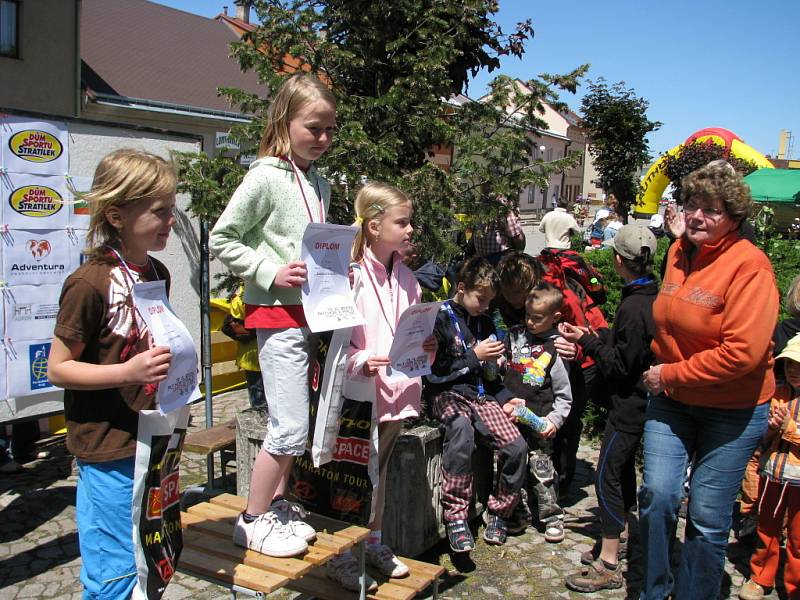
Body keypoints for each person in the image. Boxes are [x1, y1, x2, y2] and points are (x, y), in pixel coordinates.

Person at [640, 161, 780, 600]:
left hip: (732, 407)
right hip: (673, 399)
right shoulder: (678, 252)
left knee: (705, 516)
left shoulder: (750, 267)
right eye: (692, 205)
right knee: (658, 497)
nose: (697, 215)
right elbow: (668, 321)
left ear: (734, 217)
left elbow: (743, 354)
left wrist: (668, 373)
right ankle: (653, 590)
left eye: (711, 209)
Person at [209, 73, 336, 558]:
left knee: (294, 419)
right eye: (313, 128)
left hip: (309, 315)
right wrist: (270, 270)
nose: (323, 139)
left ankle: (276, 506)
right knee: (288, 428)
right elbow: (223, 238)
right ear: (285, 122)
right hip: (276, 316)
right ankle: (252, 518)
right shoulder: (264, 175)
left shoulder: (316, 180)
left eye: (329, 130)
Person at [46, 149, 178, 599]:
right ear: (118, 214)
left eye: (172, 209)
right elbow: (59, 368)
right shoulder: (89, 282)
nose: (170, 220)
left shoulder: (156, 271)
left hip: (151, 439)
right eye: (159, 210)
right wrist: (128, 371)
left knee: (150, 561)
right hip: (106, 446)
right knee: (115, 574)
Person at [324, 182, 437, 590]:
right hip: (358, 394)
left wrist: (428, 345)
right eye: (401, 222)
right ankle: (339, 553)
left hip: (398, 391)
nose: (410, 230)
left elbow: (414, 333)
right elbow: (332, 341)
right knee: (349, 475)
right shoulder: (349, 275)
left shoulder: (408, 277)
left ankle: (373, 540)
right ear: (373, 226)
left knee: (379, 473)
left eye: (410, 222)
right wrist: (358, 360)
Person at [561, 224, 659, 593]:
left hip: (627, 405)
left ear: (618, 260)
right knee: (623, 475)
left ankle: (609, 561)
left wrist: (590, 342)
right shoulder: (650, 295)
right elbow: (629, 349)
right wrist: (592, 335)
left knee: (606, 477)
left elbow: (620, 365)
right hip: (639, 403)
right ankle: (623, 540)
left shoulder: (633, 307)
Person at [426, 257, 528, 552]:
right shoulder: (440, 318)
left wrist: (506, 396)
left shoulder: (485, 322)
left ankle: (500, 511)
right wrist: (475, 356)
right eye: (481, 299)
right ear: (461, 288)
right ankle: (456, 515)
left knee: (516, 446)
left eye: (489, 302)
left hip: (482, 395)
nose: (485, 307)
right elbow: (434, 372)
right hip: (448, 393)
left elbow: (491, 377)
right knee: (461, 433)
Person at [502, 283, 573, 543]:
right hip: (511, 418)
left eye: (538, 318)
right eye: (527, 315)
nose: (530, 322)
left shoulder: (557, 347)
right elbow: (502, 365)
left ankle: (552, 516)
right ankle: (518, 513)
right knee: (512, 468)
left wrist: (555, 419)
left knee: (542, 470)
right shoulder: (515, 335)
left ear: (554, 318)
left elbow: (564, 393)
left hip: (540, 421)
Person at [738, 334, 800, 600]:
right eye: (789, 365)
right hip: (773, 474)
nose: (794, 371)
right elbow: (760, 434)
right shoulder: (778, 393)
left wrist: (789, 430)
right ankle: (760, 576)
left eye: (799, 366)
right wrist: (771, 427)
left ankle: (795, 585)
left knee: (798, 538)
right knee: (767, 527)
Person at [472, 199, 526, 265]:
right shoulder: (480, 203)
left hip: (500, 260)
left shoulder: (502, 206)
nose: (485, 188)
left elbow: (518, 238)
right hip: (482, 259)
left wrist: (517, 256)